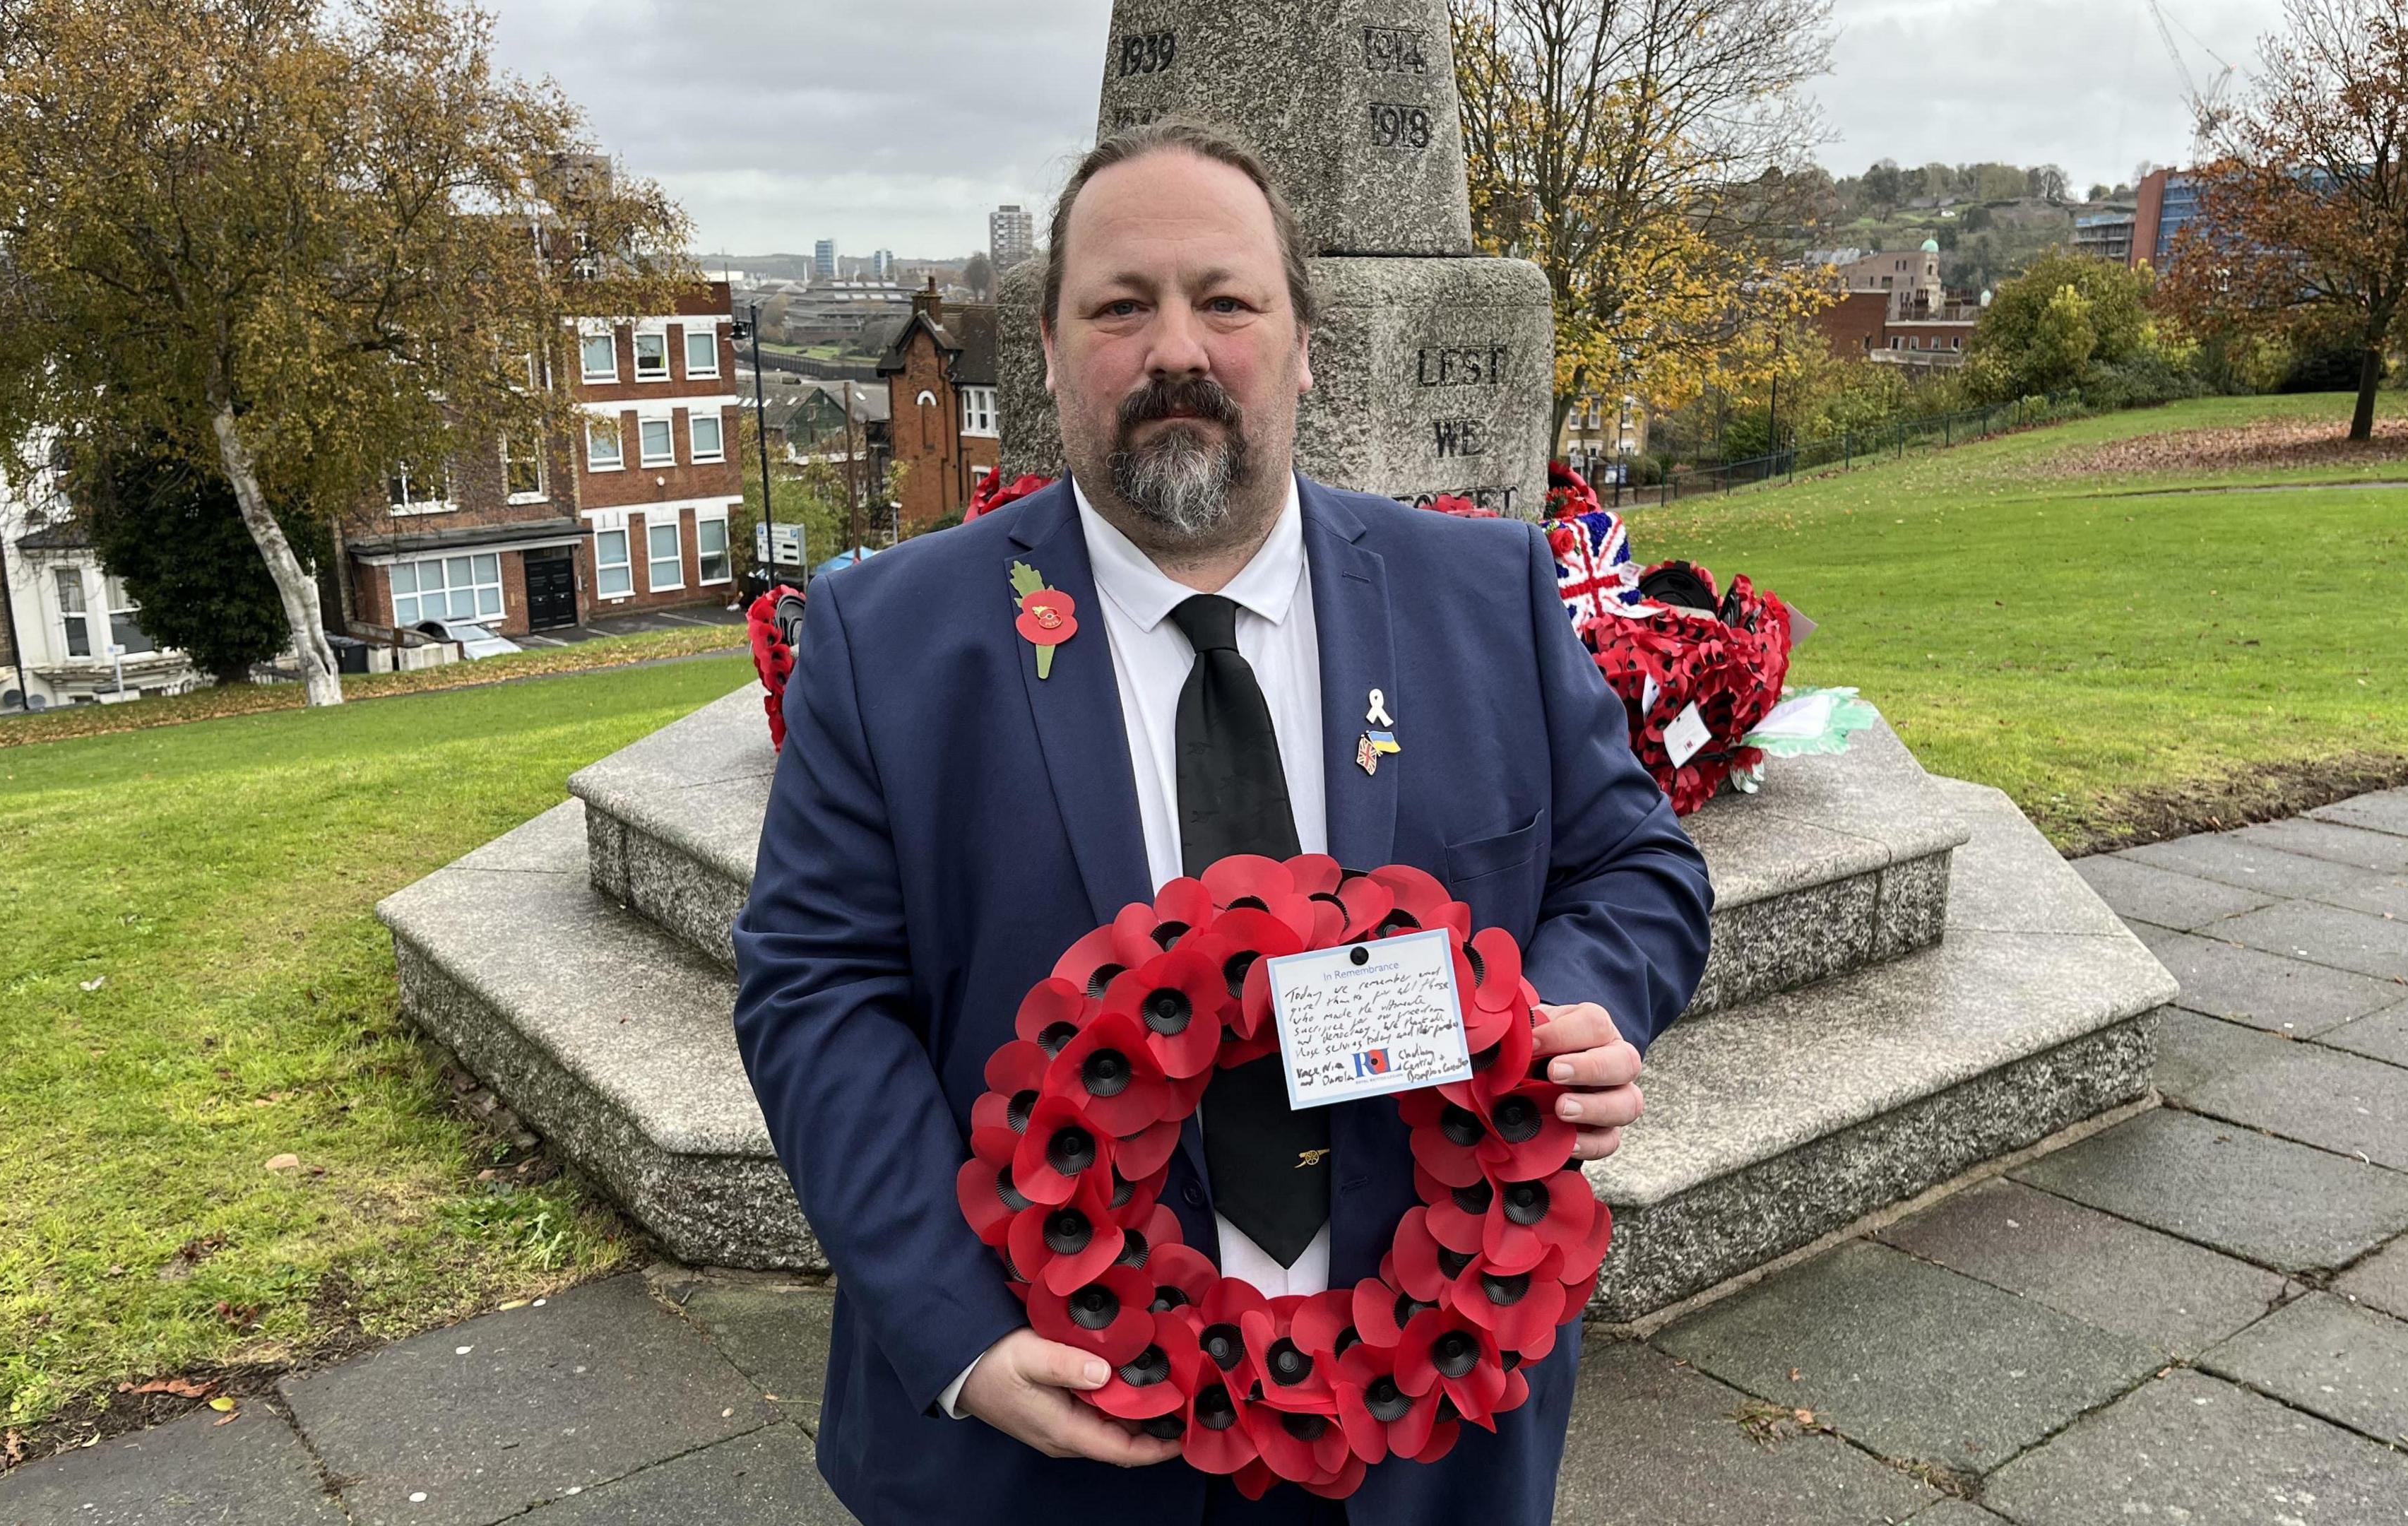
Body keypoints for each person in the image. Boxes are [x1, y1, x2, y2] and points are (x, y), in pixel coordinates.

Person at [733, 118, 1712, 1525]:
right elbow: (816, 994)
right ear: (1056, 357)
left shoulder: (1486, 597)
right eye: (1120, 307)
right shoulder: (889, 644)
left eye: (1226, 301)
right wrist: (954, 1333)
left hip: (1421, 1427)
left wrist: (1565, 1018)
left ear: (1305, 343)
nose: (1175, 349)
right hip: (1046, 1425)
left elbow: (1635, 868)